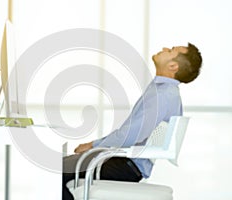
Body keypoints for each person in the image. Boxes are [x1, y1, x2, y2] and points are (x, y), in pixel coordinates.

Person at [62, 43, 202, 200]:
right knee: (60, 169)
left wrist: (93, 145)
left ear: (173, 66)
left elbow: (131, 135)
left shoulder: (163, 95)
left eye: (170, 51)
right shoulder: (163, 91)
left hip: (123, 165)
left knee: (54, 174)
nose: (164, 49)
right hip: (121, 161)